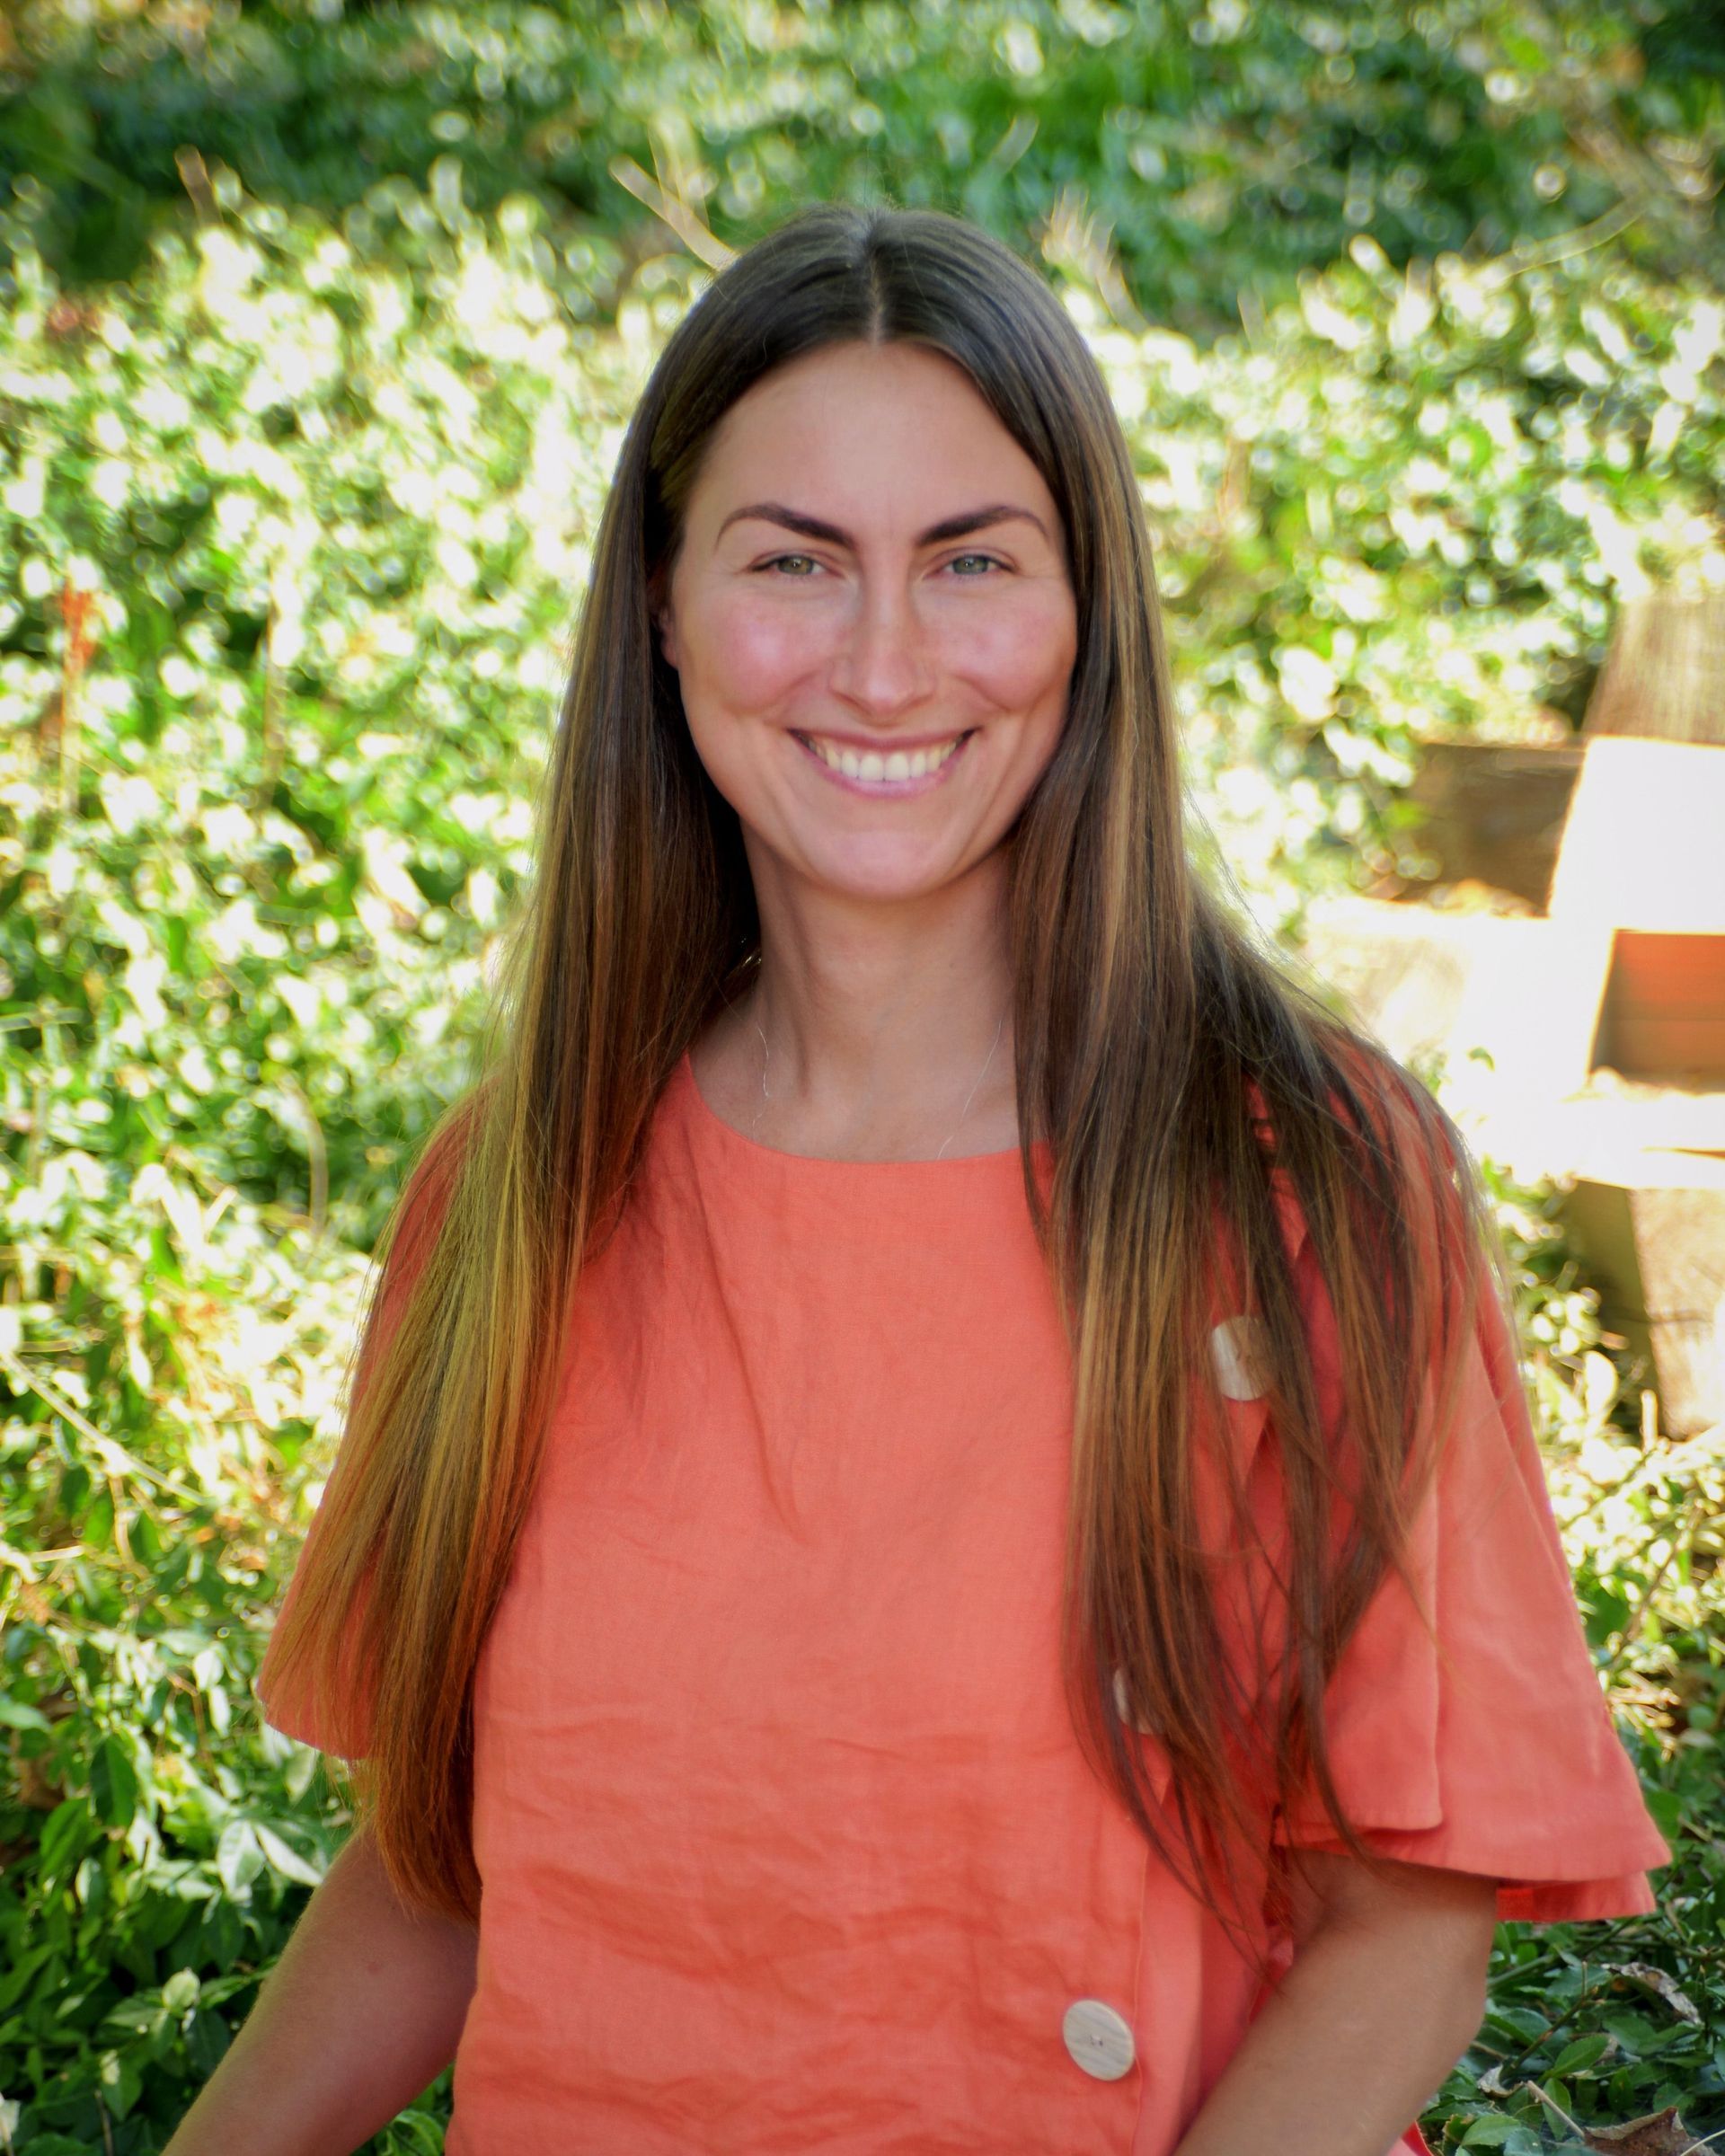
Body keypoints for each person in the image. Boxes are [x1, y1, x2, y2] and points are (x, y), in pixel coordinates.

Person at [165, 203, 1669, 2156]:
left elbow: (1410, 1929)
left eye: (971, 562)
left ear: (1085, 611)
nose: (884, 663)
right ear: (663, 607)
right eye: (794, 561)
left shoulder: (1306, 1190)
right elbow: (442, 1872)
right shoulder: (515, 1196)